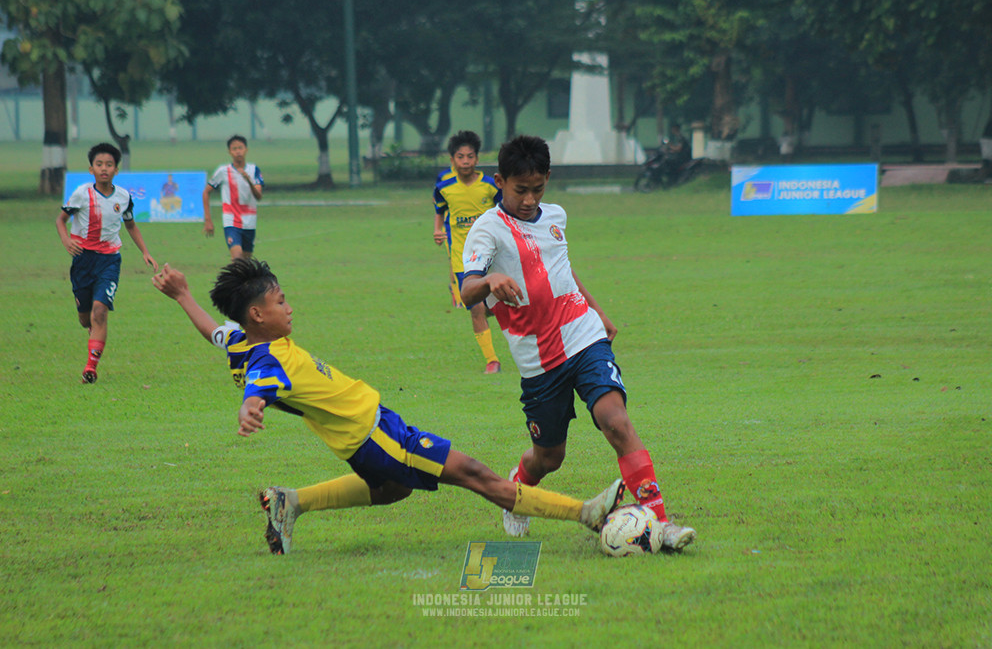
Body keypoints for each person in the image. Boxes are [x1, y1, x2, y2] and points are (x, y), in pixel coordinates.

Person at [152, 259, 625, 555]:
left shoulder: (241, 340)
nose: (289, 307)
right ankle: (585, 513)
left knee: (393, 492)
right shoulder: (267, 358)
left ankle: (289, 502)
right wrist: (248, 409)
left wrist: (182, 295)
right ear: (258, 314)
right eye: (280, 301)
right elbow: (258, 386)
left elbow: (213, 332)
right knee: (477, 475)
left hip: (372, 431)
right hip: (378, 438)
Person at [460, 135, 697, 552]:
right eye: (520, 190)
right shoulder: (487, 231)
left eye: (538, 188)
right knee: (549, 458)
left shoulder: (556, 216)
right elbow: (467, 292)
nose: (530, 199)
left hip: (582, 336)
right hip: (538, 360)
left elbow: (562, 271)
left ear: (548, 179)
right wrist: (490, 281)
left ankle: (659, 523)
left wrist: (598, 312)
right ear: (500, 181)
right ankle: (518, 488)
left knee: (616, 421)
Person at [56, 142, 158, 384]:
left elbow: (130, 225)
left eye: (109, 164)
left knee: (100, 311)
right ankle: (93, 334)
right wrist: (66, 240)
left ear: (116, 170)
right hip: (83, 259)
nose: (104, 168)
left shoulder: (123, 197)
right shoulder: (81, 193)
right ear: (91, 169)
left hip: (110, 260)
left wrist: (145, 252)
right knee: (85, 319)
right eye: (99, 164)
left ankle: (91, 367)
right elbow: (61, 220)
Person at [432, 131, 504, 374]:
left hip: (492, 256)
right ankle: (492, 360)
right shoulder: (444, 187)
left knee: (492, 305)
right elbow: (439, 210)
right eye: (460, 157)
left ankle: (493, 312)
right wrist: (437, 230)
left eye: (470, 156)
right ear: (452, 159)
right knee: (475, 307)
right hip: (462, 259)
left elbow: (505, 212)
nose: (465, 161)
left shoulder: (491, 185)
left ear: (477, 158)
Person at [203, 134, 264, 260]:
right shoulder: (223, 171)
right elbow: (206, 192)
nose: (238, 152)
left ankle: (239, 280)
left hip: (249, 222)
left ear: (246, 149)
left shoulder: (254, 170)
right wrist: (208, 219)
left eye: (240, 148)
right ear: (229, 152)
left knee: (245, 264)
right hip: (231, 221)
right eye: (234, 149)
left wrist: (248, 181)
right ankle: (231, 280)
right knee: (237, 258)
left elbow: (258, 196)